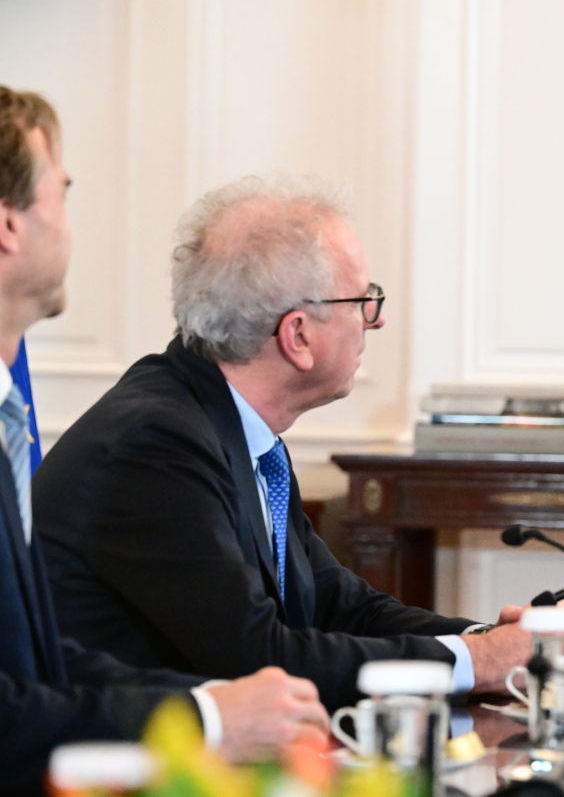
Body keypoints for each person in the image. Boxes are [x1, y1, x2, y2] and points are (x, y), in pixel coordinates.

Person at [34, 174, 531, 713]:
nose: (377, 318)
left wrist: (487, 642)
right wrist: (477, 661)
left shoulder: (234, 426)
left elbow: (336, 605)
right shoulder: (156, 445)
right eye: (362, 300)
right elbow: (259, 658)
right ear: (298, 335)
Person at [0, 86, 329, 793]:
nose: (70, 222)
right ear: (9, 227)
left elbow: (40, 662)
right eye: (61, 193)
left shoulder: (8, 421)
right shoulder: (158, 433)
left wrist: (210, 708)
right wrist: (209, 717)